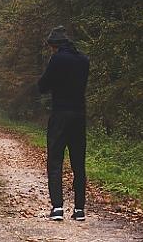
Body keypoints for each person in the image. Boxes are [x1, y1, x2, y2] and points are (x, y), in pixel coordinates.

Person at [37, 25, 89, 222]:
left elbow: (43, 85)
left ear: (55, 45)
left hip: (60, 114)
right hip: (79, 114)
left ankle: (57, 207)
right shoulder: (84, 60)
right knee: (78, 163)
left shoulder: (57, 59)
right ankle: (79, 209)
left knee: (55, 161)